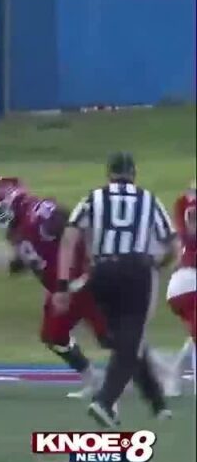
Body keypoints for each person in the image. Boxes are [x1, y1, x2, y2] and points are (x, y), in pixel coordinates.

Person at [57, 152, 178, 426]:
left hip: (101, 272)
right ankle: (105, 402)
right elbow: (172, 244)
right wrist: (159, 263)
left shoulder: (94, 198)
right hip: (136, 271)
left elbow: (69, 239)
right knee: (130, 343)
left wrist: (62, 285)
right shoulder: (148, 199)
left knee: (129, 342)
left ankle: (158, 403)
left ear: (109, 174)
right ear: (134, 174)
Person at [0, 177, 109, 398]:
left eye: (0, 208)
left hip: (83, 284)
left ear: (12, 200)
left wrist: (89, 258)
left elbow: (70, 226)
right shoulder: (15, 230)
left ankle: (152, 374)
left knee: (111, 337)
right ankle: (93, 379)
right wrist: (19, 263)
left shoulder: (39, 213)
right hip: (61, 292)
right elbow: (37, 253)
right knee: (54, 336)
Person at [161, 180, 196, 396]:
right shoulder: (188, 206)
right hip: (190, 281)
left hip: (181, 283)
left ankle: (172, 373)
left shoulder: (184, 202)